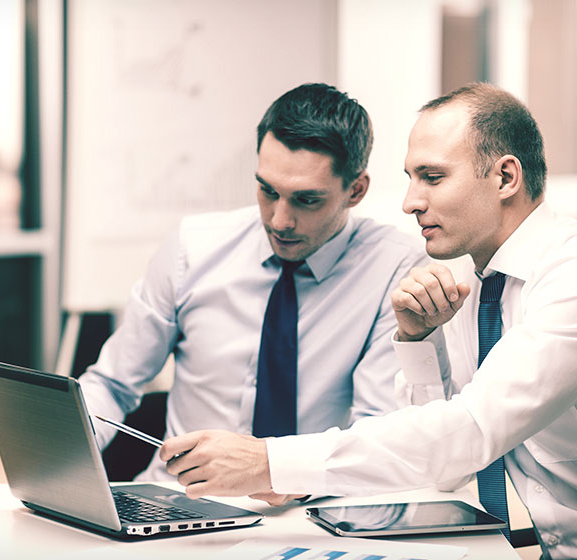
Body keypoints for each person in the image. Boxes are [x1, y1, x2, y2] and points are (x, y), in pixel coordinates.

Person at [160, 83, 577, 558]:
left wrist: (269, 461)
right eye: (410, 177)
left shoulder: (568, 277)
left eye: (432, 177)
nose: (410, 202)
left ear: (505, 178)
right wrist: (417, 340)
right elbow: (446, 472)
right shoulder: (469, 278)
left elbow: (471, 431)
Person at [79, 82, 428, 505]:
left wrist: (290, 473)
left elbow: (379, 431)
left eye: (306, 200)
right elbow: (112, 384)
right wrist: (57, 456)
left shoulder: (395, 269)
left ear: (355, 190)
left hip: (313, 511)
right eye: (267, 191)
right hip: (174, 501)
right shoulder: (194, 249)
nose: (280, 220)